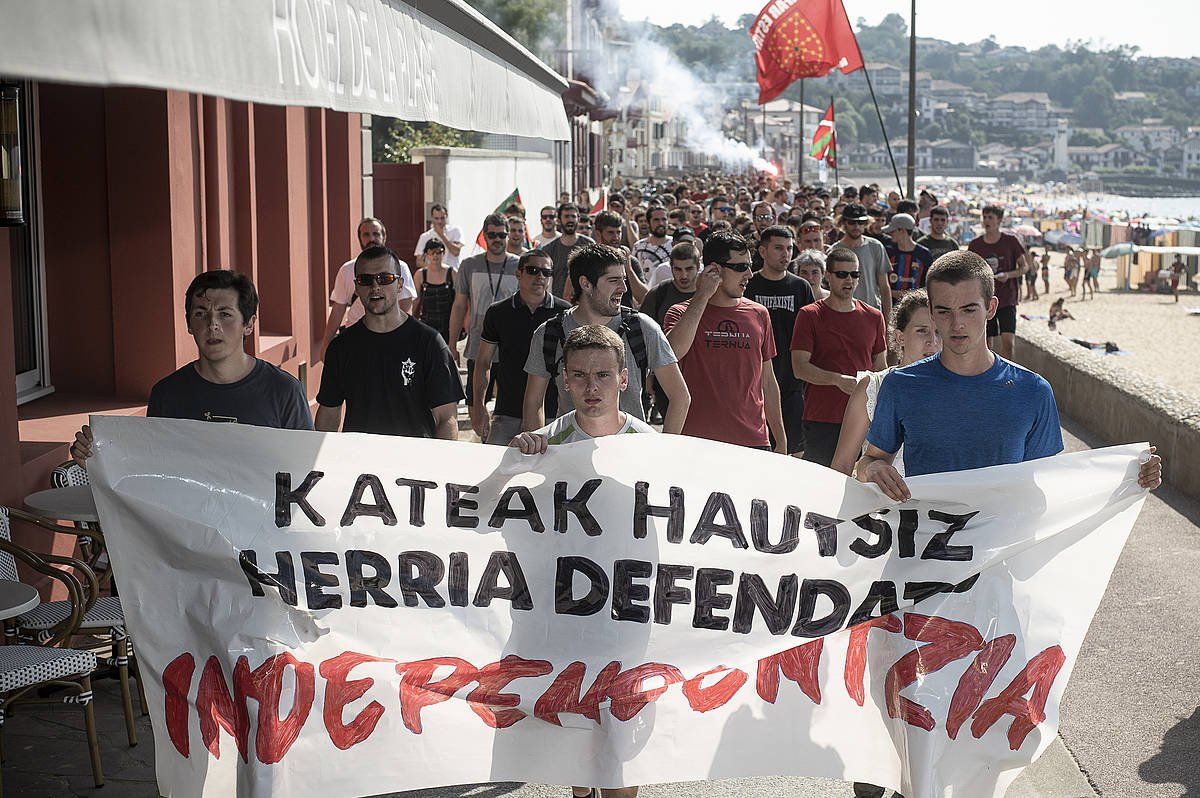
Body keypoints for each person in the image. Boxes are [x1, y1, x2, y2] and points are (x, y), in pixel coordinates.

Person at [856, 247, 1161, 498]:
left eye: (969, 309)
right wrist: (872, 468)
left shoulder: (1033, 391)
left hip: (1000, 561)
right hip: (924, 558)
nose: (956, 323)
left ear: (990, 308)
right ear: (932, 311)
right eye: (945, 312)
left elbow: (1050, 482)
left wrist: (1130, 477)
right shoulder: (900, 385)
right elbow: (871, 460)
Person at [70, 269, 313, 466]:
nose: (212, 324)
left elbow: (308, 469)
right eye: (200, 314)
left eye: (225, 314)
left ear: (249, 324)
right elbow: (152, 469)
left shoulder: (283, 391)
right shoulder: (167, 394)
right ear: (188, 324)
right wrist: (99, 459)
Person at [523, 243, 689, 433]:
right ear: (585, 284)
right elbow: (534, 402)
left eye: (624, 279)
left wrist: (663, 450)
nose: (624, 288)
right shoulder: (549, 333)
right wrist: (537, 453)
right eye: (613, 280)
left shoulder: (643, 328)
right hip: (570, 453)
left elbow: (680, 396)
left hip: (630, 453)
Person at [315, 245, 462, 438]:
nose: (375, 287)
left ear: (400, 285)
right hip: (360, 463)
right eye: (365, 280)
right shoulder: (341, 348)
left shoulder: (430, 342)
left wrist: (439, 466)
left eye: (385, 279)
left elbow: (446, 418)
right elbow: (328, 417)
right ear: (357, 287)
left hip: (414, 463)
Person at [663, 231, 785, 452]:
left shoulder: (759, 313)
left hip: (753, 441)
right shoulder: (680, 312)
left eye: (749, 265)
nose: (749, 273)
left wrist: (781, 439)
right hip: (697, 442)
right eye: (739, 267)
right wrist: (702, 296)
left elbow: (767, 380)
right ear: (714, 270)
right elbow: (672, 353)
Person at [790, 247, 887, 467]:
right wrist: (837, 380)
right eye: (842, 274)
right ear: (828, 276)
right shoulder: (810, 315)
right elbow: (800, 367)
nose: (849, 280)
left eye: (855, 274)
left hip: (864, 419)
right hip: (822, 416)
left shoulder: (874, 317)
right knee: (820, 484)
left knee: (862, 485)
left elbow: (880, 367)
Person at [830, 289, 939, 476]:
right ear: (900, 337)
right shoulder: (872, 387)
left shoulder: (955, 387)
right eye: (922, 331)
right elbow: (841, 466)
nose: (933, 341)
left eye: (939, 331)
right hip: (878, 502)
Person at [473, 250, 570, 445]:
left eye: (546, 272)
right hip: (507, 412)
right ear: (518, 273)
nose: (540, 277)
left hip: (553, 414)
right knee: (496, 472)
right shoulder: (498, 312)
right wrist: (478, 406)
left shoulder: (565, 313)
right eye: (533, 270)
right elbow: (483, 363)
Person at [511, 324, 656, 454]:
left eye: (603, 375)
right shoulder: (544, 445)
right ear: (566, 380)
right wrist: (512, 457)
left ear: (623, 379)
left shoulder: (650, 444)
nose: (591, 387)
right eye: (579, 375)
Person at [745, 225, 814, 455]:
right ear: (762, 251)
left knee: (793, 451)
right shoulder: (748, 285)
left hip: (792, 383)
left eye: (789, 248)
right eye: (778, 248)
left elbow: (811, 334)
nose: (785, 254)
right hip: (754, 383)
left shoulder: (800, 287)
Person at [450, 214, 521, 421]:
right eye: (492, 235)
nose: (497, 239)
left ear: (507, 236)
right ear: (484, 236)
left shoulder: (520, 265)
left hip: (510, 347)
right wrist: (452, 343)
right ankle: (482, 439)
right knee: (474, 404)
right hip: (478, 346)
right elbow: (459, 305)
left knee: (509, 406)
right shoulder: (469, 265)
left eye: (501, 235)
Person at [319, 217, 415, 360]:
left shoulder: (400, 267)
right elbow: (338, 309)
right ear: (359, 239)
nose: (372, 238)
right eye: (366, 235)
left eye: (376, 234)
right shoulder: (347, 270)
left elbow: (406, 308)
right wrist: (326, 344)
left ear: (384, 237)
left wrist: (402, 340)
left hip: (389, 339)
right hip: (354, 342)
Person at [640, 240, 701, 423]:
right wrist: (649, 375)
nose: (683, 275)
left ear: (698, 267)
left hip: (702, 376)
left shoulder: (709, 293)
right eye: (678, 269)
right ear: (670, 267)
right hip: (667, 377)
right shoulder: (658, 294)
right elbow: (644, 336)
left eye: (689, 269)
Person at [968, 204, 1028, 360]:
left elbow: (1024, 267)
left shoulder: (1011, 241)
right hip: (984, 300)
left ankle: (1007, 378)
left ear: (999, 220)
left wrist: (1008, 275)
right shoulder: (975, 244)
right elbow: (968, 272)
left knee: (1008, 343)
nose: (986, 221)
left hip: (1007, 298)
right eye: (985, 217)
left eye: (990, 218)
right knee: (986, 344)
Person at [833, 203, 892, 326]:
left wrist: (888, 323)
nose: (856, 226)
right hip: (842, 316)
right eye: (852, 222)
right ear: (843, 223)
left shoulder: (876, 247)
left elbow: (884, 288)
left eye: (861, 223)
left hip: (872, 314)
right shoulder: (834, 251)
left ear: (866, 223)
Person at [541, 202, 595, 299]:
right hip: (559, 305)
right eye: (566, 216)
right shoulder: (549, 249)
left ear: (578, 219)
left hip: (585, 303)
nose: (570, 220)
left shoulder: (589, 245)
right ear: (558, 220)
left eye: (573, 216)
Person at [411, 238, 456, 344]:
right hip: (427, 323)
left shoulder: (452, 273)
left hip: (448, 324)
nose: (435, 256)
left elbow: (460, 300)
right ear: (427, 254)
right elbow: (416, 300)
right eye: (432, 252)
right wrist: (409, 321)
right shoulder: (420, 274)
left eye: (438, 252)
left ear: (443, 253)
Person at [882, 213, 935, 297]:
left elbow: (929, 283)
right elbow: (880, 282)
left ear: (902, 231)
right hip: (890, 305)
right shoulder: (888, 251)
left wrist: (908, 295)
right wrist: (894, 294)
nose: (890, 234)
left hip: (915, 306)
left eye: (892, 231)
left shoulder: (924, 254)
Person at [413, 204, 465, 269]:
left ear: (447, 216)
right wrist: (434, 269)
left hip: (452, 274)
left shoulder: (455, 230)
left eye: (442, 218)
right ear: (432, 218)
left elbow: (456, 252)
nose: (439, 221)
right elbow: (419, 262)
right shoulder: (424, 236)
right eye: (436, 218)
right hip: (433, 276)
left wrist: (442, 235)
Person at [632, 206, 673, 280]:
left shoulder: (676, 245)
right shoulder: (638, 247)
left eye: (664, 219)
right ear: (648, 222)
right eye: (656, 220)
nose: (661, 223)